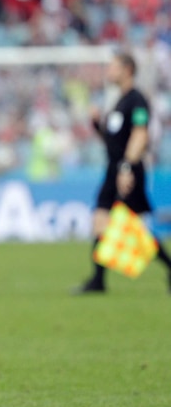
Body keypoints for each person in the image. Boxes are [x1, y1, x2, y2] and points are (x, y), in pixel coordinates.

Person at [73, 51, 171, 294]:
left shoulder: (137, 100)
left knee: (137, 230)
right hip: (113, 169)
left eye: (114, 67)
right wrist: (97, 124)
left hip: (128, 170)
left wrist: (127, 167)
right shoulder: (118, 101)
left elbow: (140, 135)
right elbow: (111, 140)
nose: (109, 71)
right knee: (100, 220)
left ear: (127, 70)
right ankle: (98, 281)